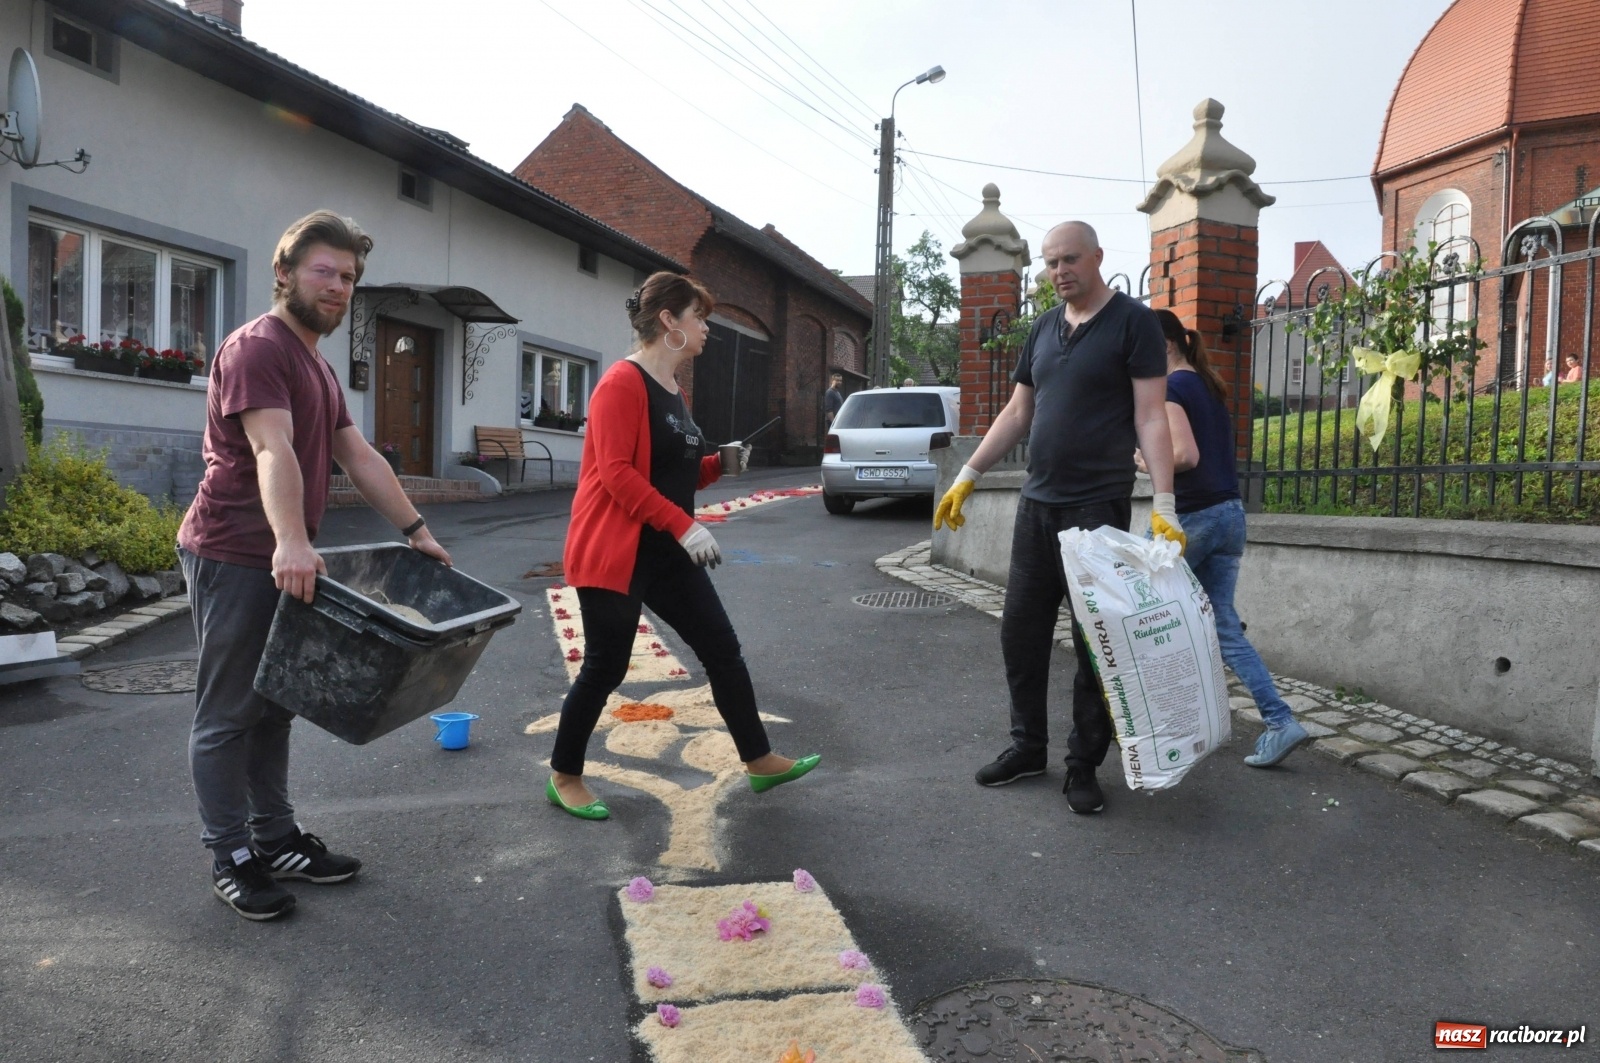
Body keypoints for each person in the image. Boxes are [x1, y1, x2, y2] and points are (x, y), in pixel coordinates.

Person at [177, 211, 452, 921]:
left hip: (279, 553)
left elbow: (357, 454)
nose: (337, 287)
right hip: (236, 550)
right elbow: (273, 450)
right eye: (323, 271)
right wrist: (293, 540)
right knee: (228, 713)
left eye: (349, 277)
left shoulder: (317, 365)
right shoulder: (257, 349)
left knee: (275, 704)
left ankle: (275, 839)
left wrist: (416, 529)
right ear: (284, 272)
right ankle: (231, 855)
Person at [547, 272, 820, 820]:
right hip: (616, 550)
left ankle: (759, 759)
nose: (705, 329)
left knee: (722, 649)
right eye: (700, 318)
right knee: (606, 667)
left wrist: (720, 464)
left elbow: (673, 475)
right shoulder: (621, 384)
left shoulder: (675, 391)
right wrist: (685, 526)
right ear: (669, 321)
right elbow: (618, 475)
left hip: (668, 552)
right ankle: (565, 775)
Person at [934, 221, 1183, 814]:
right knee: (1020, 631)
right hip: (1036, 507)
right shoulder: (1044, 328)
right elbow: (1019, 411)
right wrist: (969, 474)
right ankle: (1027, 747)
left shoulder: (1133, 323)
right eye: (1049, 263)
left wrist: (1165, 504)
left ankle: (1082, 765)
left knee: (1094, 643)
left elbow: (1151, 417)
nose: (1059, 272)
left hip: (1097, 511)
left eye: (1069, 259)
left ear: (1097, 256)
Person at [1135, 310, 1311, 767]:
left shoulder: (1172, 387)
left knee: (1145, 613)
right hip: (1231, 515)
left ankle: (1161, 725)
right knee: (1223, 627)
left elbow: (1184, 455)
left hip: (1195, 517)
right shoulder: (1205, 386)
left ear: (1166, 345)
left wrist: (1145, 463)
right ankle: (1279, 721)